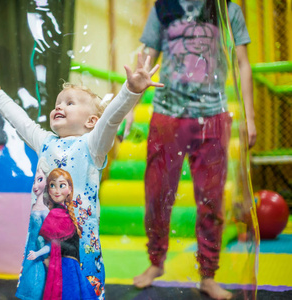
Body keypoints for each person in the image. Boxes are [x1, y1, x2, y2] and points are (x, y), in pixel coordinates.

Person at [0, 54, 163, 299]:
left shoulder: (93, 146)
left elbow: (111, 119)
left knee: (77, 288)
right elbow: (21, 122)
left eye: (69, 103)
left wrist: (130, 91)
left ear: (91, 121)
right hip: (45, 238)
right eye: (58, 103)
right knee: (44, 286)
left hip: (78, 245)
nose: (59, 107)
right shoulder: (45, 141)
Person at [131, 1, 257, 299]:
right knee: (157, 193)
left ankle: (208, 274)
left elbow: (243, 62)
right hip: (167, 113)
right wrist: (129, 106)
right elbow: (147, 57)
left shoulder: (226, 8)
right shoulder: (164, 7)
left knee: (211, 199)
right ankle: (156, 261)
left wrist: (250, 116)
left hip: (212, 114)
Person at [27, 168, 98, 300]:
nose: (57, 190)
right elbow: (47, 240)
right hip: (63, 264)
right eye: (53, 186)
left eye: (62, 185)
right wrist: (43, 256)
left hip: (68, 264)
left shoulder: (65, 213)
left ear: (70, 188)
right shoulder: (55, 214)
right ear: (48, 189)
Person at [15, 158, 50, 300]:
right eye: (33, 181)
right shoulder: (31, 206)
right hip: (27, 258)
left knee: (35, 290)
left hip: (37, 260)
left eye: (39, 180)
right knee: (25, 291)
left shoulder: (45, 211)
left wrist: (38, 254)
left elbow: (51, 243)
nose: (35, 185)